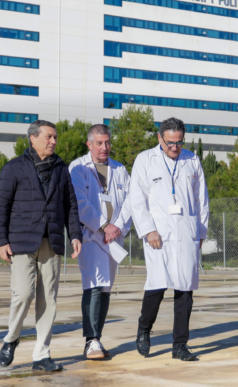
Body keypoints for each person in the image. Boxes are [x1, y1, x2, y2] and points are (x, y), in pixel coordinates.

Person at [0, 120, 83, 372]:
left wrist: (75, 235)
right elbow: (0, 205)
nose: (53, 141)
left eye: (55, 137)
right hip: (21, 242)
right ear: (33, 138)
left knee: (48, 299)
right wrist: (0, 240)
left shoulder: (61, 168)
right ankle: (11, 338)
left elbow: (70, 205)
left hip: (51, 242)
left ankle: (42, 355)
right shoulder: (13, 168)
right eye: (49, 137)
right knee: (23, 294)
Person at [129, 118, 210, 362]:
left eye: (179, 142)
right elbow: (137, 199)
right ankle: (144, 329)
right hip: (158, 234)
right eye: (170, 143)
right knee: (157, 285)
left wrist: (201, 233)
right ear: (159, 138)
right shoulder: (145, 160)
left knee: (185, 289)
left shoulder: (192, 160)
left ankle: (180, 345)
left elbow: (201, 200)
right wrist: (148, 230)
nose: (175, 148)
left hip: (186, 232)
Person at [69, 124, 133, 359]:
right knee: (94, 285)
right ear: (89, 144)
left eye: (107, 142)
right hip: (91, 236)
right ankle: (91, 340)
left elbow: (130, 202)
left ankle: (97, 337)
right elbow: (80, 203)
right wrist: (104, 226)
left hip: (113, 238)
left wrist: (117, 229)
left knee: (106, 288)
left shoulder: (120, 169)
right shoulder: (78, 168)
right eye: (99, 143)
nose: (104, 147)